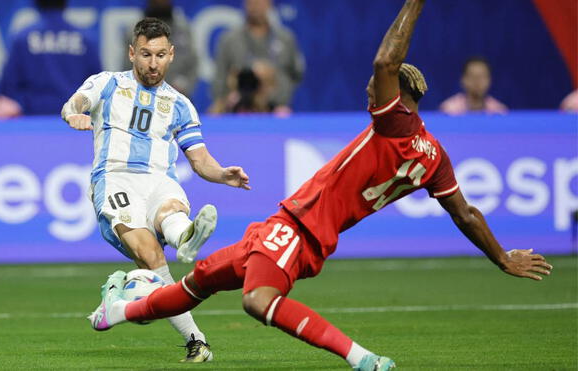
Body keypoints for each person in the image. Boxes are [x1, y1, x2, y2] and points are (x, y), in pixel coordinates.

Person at [87, 2, 553, 370]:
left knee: (256, 300)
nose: (369, 90)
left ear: (399, 98)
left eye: (377, 86)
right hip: (286, 227)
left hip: (299, 229)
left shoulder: (394, 123)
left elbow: (386, 58)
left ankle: (360, 358)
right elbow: (466, 214)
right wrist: (501, 257)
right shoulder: (435, 159)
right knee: (200, 279)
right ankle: (117, 311)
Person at [61, 18, 250, 362]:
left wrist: (223, 174)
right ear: (132, 52)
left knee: (170, 211)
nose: (153, 63)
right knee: (151, 258)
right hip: (115, 179)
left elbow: (199, 159)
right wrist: (74, 115)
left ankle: (185, 239)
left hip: (159, 179)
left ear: (172, 54)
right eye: (146, 54)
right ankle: (192, 325)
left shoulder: (180, 104)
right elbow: (73, 103)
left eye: (160, 55)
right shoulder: (106, 84)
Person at [0, 0, 101, 118]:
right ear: (65, 3)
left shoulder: (22, 39)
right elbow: (99, 87)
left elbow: (7, 90)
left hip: (32, 123)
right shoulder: (86, 39)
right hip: (77, 123)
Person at [209, 0, 305, 114]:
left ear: (269, 3)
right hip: (238, 112)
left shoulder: (285, 39)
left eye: (260, 2)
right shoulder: (229, 40)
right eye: (251, 2)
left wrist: (274, 83)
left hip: (277, 111)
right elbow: (219, 80)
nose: (255, 6)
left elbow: (296, 74)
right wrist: (224, 101)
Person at [119, 0, 199, 98]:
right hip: (141, 96)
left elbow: (193, 63)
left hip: (178, 96)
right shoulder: (134, 31)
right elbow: (127, 67)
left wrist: (182, 85)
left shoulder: (183, 29)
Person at [440, 56, 508, 115]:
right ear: (463, 80)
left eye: (482, 76)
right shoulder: (449, 110)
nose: (477, 81)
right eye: (472, 76)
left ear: (489, 80)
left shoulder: (499, 112)